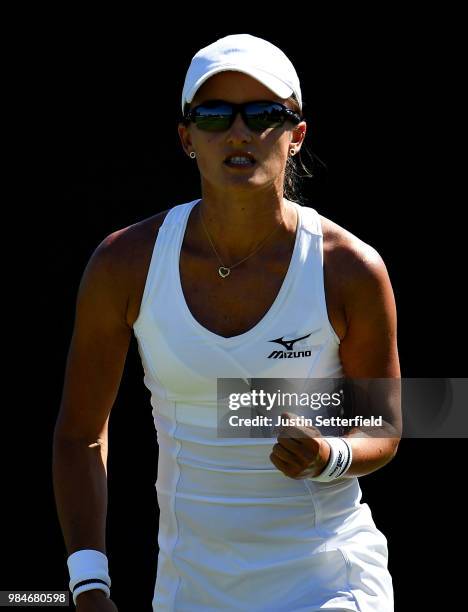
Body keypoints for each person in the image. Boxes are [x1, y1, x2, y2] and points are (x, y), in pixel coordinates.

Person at [53, 33, 401, 611]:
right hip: (189, 592)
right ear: (186, 137)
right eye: (214, 115)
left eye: (264, 114)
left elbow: (384, 427)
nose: (239, 133)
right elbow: (79, 435)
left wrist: (328, 454)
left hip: (331, 585)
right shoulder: (122, 264)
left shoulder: (352, 270)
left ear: (297, 135)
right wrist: (88, 584)